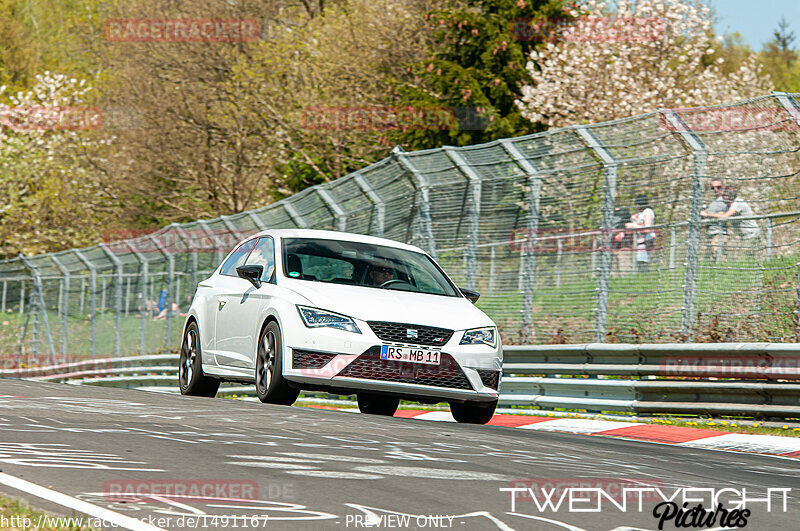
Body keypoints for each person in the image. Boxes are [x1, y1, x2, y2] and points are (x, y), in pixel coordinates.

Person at [701, 186, 760, 252]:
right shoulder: (728, 206)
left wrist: (707, 214)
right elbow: (721, 214)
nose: (723, 197)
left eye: (725, 195)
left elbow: (725, 216)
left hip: (751, 234)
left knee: (745, 258)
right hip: (744, 235)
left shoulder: (738, 203)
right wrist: (706, 215)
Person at [626, 194, 655, 271]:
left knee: (643, 262)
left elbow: (647, 229)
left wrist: (633, 226)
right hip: (638, 242)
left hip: (646, 241)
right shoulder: (639, 214)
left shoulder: (648, 212)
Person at [704, 178, 728, 258]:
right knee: (711, 258)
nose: (715, 189)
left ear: (723, 186)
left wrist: (707, 214)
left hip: (719, 232)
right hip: (710, 232)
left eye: (718, 187)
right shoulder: (714, 201)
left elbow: (723, 215)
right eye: (713, 188)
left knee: (719, 256)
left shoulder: (725, 200)